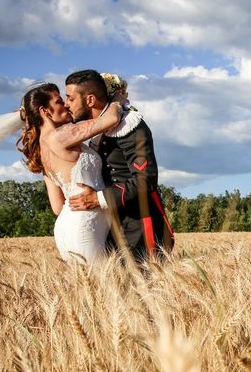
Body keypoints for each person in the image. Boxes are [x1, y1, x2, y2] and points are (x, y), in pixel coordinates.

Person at [63, 70, 175, 262]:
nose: (66, 104)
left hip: (139, 222)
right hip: (107, 223)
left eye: (70, 99)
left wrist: (98, 198)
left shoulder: (131, 125)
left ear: (90, 100)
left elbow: (145, 179)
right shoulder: (96, 128)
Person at [16, 82, 126, 263]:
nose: (66, 104)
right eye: (59, 101)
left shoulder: (40, 151)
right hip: (85, 226)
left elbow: (58, 207)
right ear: (45, 111)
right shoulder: (61, 135)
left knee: (91, 289)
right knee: (105, 285)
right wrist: (117, 99)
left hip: (66, 228)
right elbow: (112, 118)